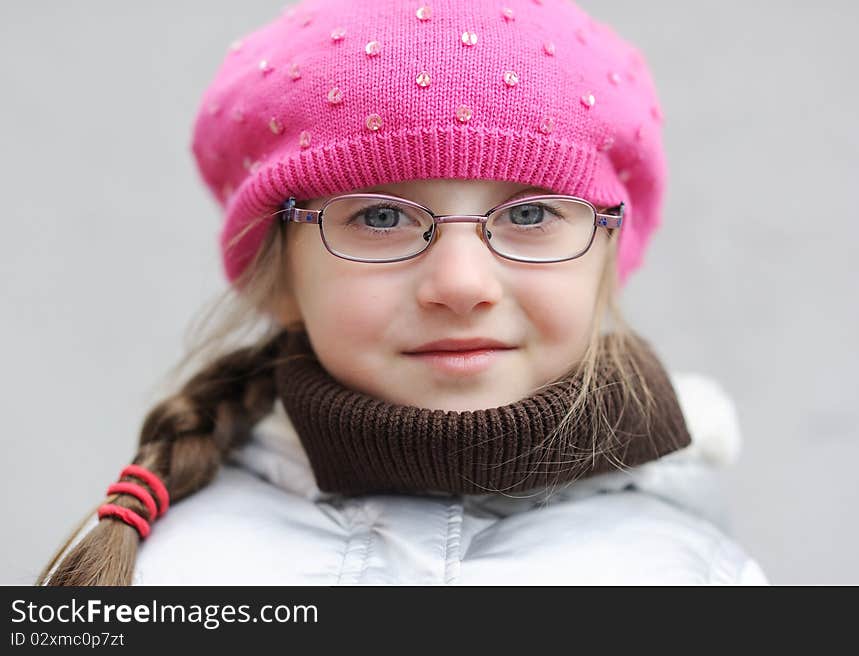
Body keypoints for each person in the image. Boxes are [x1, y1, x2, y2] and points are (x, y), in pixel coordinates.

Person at [39, 0, 769, 585]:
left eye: (530, 213)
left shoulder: (698, 572)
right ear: (281, 272)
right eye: (380, 216)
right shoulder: (162, 573)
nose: (460, 285)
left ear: (606, 252)